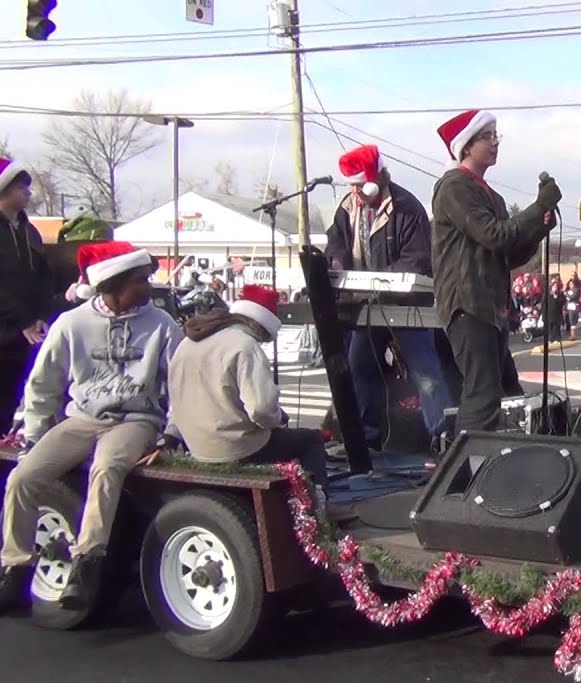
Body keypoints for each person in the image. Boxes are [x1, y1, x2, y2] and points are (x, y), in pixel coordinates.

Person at [0, 242, 181, 611]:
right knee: (24, 477)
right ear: (113, 286)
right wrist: (34, 434)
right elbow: (44, 382)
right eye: (140, 281)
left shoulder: (161, 324)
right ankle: (15, 567)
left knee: (107, 467)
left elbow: (180, 384)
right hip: (82, 418)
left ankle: (87, 564)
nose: (149, 286)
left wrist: (171, 433)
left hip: (136, 419)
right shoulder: (72, 323)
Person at [430, 109, 561, 431]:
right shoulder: (455, 187)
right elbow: (493, 234)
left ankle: (503, 465)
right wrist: (537, 209)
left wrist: (539, 228)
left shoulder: (491, 194)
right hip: (467, 304)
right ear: (466, 146)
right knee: (482, 396)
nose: (494, 142)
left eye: (495, 136)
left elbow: (509, 252)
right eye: (486, 137)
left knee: (508, 393)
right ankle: (465, 475)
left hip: (490, 308)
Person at [323, 144, 452, 452]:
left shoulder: (407, 207)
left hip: (405, 305)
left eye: (358, 185)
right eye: (350, 186)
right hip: (365, 305)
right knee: (360, 368)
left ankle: (443, 439)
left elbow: (418, 259)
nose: (354, 192)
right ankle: (367, 439)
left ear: (375, 179)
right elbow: (336, 243)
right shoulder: (347, 208)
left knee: (426, 374)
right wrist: (337, 263)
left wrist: (380, 281)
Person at [168, 285, 336, 490]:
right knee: (310, 439)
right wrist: (277, 420)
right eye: (265, 337)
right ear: (260, 324)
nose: (263, 341)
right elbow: (261, 409)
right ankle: (319, 501)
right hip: (234, 447)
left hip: (195, 443)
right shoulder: (245, 345)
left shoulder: (188, 342)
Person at [0, 157, 54, 433]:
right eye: (22, 186)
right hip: (6, 329)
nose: (28, 193)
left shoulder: (30, 231)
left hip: (28, 336)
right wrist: (22, 319)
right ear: (4, 189)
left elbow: (45, 277)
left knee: (14, 399)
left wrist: (40, 317)